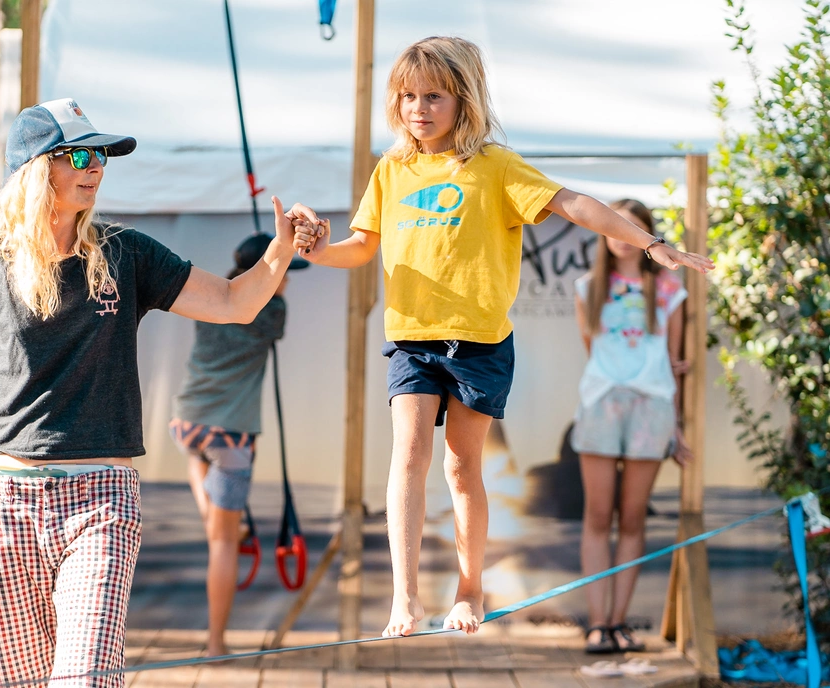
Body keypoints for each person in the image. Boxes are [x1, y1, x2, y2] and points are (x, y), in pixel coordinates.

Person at [285, 36, 714, 638]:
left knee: (463, 470)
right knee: (408, 455)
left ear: (465, 99)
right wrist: (315, 249)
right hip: (412, 340)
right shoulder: (393, 169)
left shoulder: (496, 166)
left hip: (481, 345)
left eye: (433, 96)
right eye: (407, 96)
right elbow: (359, 249)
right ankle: (404, 599)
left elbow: (577, 205)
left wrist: (649, 243)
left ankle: (468, 590)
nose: (418, 108)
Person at [0, 98, 302, 688]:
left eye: (101, 154)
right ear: (36, 168)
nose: (96, 166)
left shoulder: (126, 253)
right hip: (1, 501)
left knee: (87, 679)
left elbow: (235, 303)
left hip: (100, 499)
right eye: (80, 153)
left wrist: (280, 251)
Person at [169, 232, 308, 657]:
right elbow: (266, 312)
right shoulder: (273, 310)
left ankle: (213, 513)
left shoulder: (210, 296)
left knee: (197, 459)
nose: (285, 281)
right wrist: (270, 286)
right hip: (231, 436)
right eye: (282, 270)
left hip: (187, 422)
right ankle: (215, 644)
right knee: (223, 544)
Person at [573, 199, 691, 654]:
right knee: (598, 517)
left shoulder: (668, 287)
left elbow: (673, 360)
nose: (622, 237)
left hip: (652, 407)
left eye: (633, 229)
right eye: (616, 228)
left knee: (634, 517)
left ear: (648, 237)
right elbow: (593, 353)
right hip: (602, 403)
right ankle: (597, 623)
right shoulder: (587, 288)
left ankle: (620, 622)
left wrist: (676, 427)